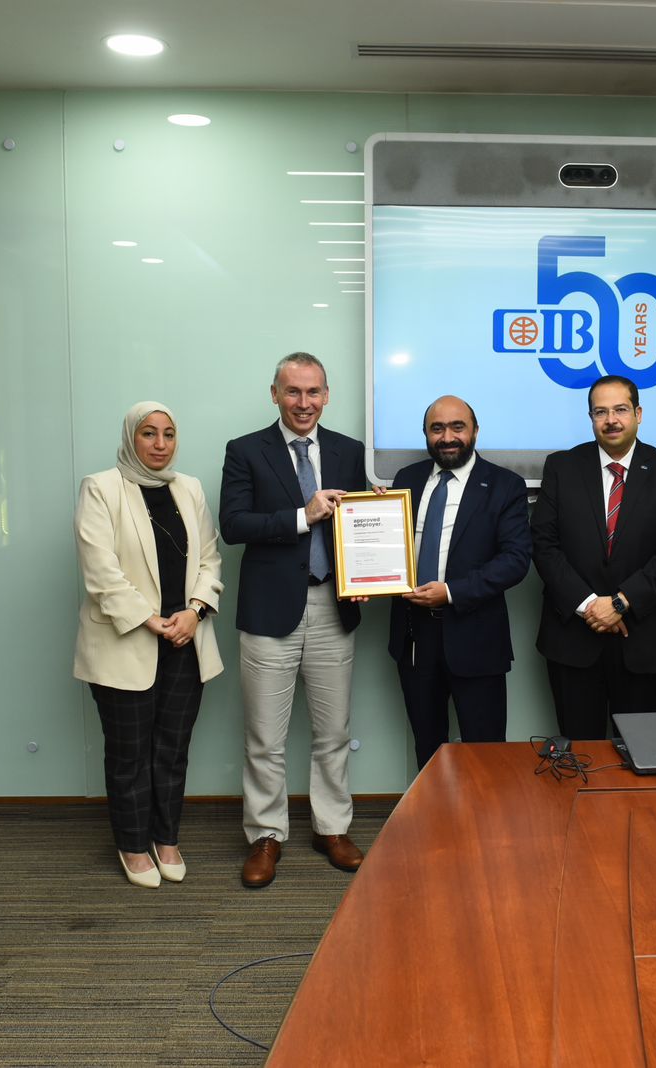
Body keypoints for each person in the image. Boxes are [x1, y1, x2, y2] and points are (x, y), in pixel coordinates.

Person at [219, 352, 366, 888]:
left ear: (327, 395)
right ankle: (265, 834)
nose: (304, 403)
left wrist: (369, 562)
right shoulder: (245, 450)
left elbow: (359, 526)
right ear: (275, 394)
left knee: (333, 732)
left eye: (313, 392)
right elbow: (234, 524)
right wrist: (304, 515)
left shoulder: (350, 451)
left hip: (333, 606)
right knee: (264, 737)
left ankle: (332, 828)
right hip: (269, 611)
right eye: (293, 392)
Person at [73, 402, 224, 889]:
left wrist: (194, 611)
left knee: (172, 750)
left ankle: (166, 838)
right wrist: (151, 620)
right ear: (130, 438)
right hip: (126, 641)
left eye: (169, 434)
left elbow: (210, 559)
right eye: (148, 433)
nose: (160, 444)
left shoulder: (190, 488)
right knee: (129, 754)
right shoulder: (101, 488)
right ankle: (133, 844)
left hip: (186, 638)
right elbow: (101, 573)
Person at [531, 375, 656, 740]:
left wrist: (621, 602)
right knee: (579, 753)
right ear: (591, 417)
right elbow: (544, 543)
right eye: (600, 412)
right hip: (574, 637)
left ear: (638, 413)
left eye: (620, 409)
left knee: (639, 750)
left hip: (643, 638)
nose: (611, 420)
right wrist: (590, 605)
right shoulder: (561, 466)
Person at [387, 396, 532, 769]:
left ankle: (483, 813)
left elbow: (515, 561)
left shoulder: (505, 485)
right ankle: (433, 810)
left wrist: (451, 592)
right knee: (427, 749)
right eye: (437, 428)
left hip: (476, 638)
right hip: (415, 638)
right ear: (425, 434)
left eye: (457, 427)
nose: (447, 437)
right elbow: (390, 546)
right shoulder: (407, 480)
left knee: (485, 755)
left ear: (475, 431)